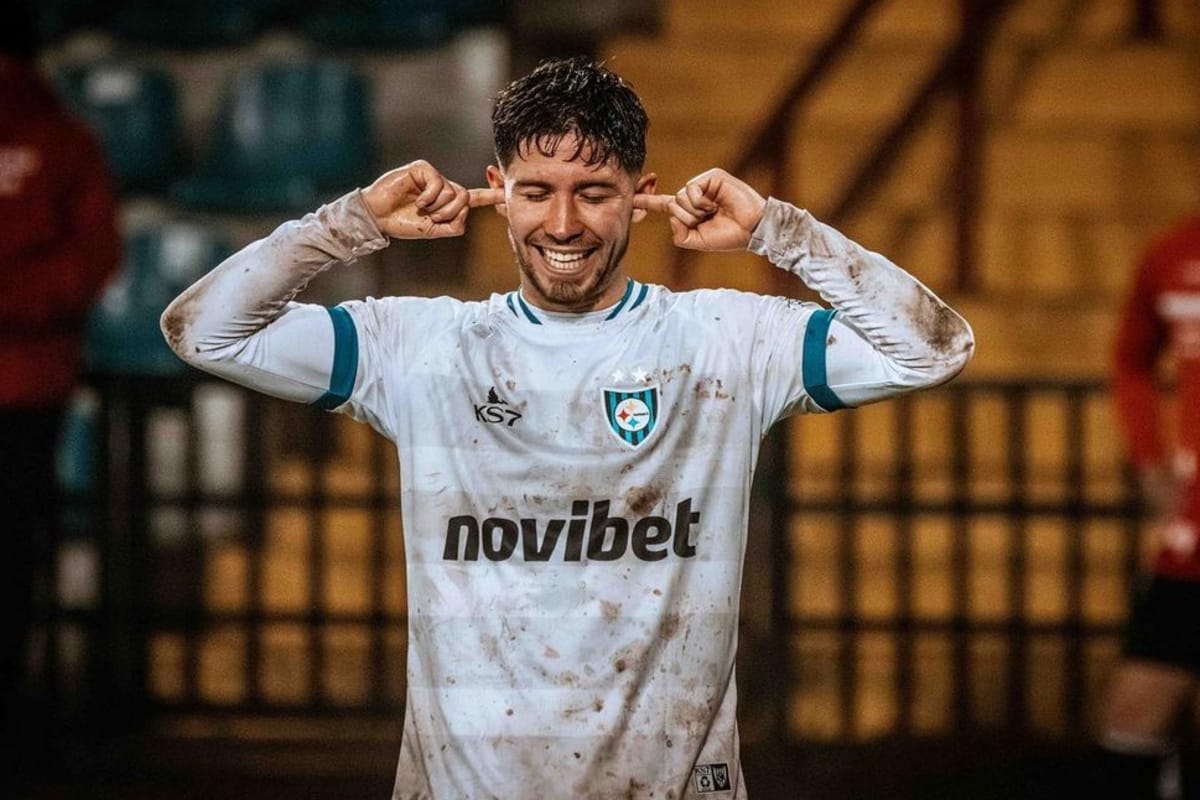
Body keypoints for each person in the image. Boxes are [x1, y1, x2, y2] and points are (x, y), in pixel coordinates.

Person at [162, 57, 974, 799]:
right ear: (495, 190)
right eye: (535, 191)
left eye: (594, 192)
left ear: (641, 194)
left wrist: (777, 229)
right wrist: (352, 223)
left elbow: (932, 349)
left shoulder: (726, 342)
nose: (563, 224)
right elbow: (202, 331)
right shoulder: (417, 348)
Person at [0, 0, 121, 775]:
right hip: (27, 387)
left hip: (26, 382)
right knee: (12, 566)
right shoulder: (67, 139)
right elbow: (92, 259)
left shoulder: (64, 139)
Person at [1102, 213, 1200, 799]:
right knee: (1133, 717)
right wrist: (1149, 460)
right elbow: (1131, 361)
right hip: (1193, 535)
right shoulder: (1173, 254)